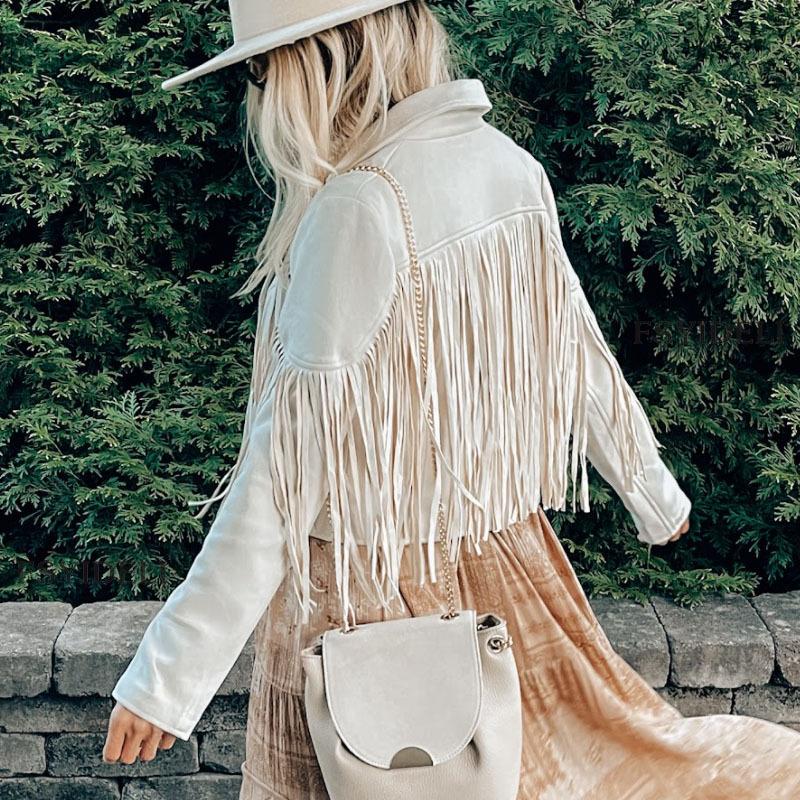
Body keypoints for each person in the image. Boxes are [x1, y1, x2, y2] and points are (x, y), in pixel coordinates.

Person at [103, 2, 800, 798]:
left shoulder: (358, 207)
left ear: (321, 59)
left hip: (363, 590)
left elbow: (283, 474)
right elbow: (573, 346)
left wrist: (165, 678)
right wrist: (648, 488)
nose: (258, 94)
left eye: (260, 67)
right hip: (506, 560)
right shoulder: (505, 162)